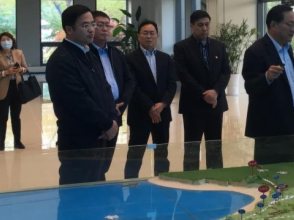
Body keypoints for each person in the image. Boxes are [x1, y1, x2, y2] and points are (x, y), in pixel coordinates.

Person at [45, 5, 119, 185]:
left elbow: (105, 89)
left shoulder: (88, 53)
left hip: (100, 134)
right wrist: (106, 123)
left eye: (93, 24)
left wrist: (112, 118)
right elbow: (78, 101)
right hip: (79, 139)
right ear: (69, 29)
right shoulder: (62, 59)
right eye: (85, 25)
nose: (92, 29)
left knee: (97, 185)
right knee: (77, 190)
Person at [242, 4, 294, 164]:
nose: (293, 29)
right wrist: (266, 77)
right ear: (273, 25)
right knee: (269, 170)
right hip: (269, 126)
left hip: (290, 120)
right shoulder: (256, 51)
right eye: (289, 24)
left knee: (290, 168)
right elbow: (250, 86)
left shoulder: (287, 48)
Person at [174, 10, 231, 171]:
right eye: (200, 25)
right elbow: (183, 75)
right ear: (192, 26)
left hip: (215, 104)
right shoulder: (182, 47)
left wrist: (215, 92)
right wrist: (203, 94)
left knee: (214, 147)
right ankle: (191, 179)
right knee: (192, 148)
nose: (204, 28)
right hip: (193, 105)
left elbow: (226, 72)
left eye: (207, 24)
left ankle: (216, 178)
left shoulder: (219, 46)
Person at [125, 21, 177, 178]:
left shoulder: (165, 58)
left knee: (162, 152)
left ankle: (162, 181)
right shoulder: (129, 59)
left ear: (157, 36)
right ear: (138, 36)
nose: (149, 36)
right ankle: (131, 183)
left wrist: (162, 104)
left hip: (162, 113)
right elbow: (132, 86)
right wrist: (150, 107)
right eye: (145, 33)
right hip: (140, 114)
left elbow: (171, 84)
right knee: (135, 154)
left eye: (152, 33)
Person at [91, 10, 136, 174]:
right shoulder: (86, 54)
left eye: (107, 25)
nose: (105, 29)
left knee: (106, 162)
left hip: (116, 113)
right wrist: (107, 107)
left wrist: (121, 105)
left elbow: (130, 80)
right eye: (100, 25)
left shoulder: (116, 53)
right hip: (96, 115)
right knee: (92, 165)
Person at [0, 32, 29, 151]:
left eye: (8, 39)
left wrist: (21, 69)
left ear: (12, 41)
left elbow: (25, 68)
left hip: (17, 87)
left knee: (16, 116)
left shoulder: (19, 53)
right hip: (3, 89)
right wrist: (6, 72)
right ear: (0, 43)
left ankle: (18, 141)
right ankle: (1, 142)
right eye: (3, 40)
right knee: (3, 116)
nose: (6, 41)